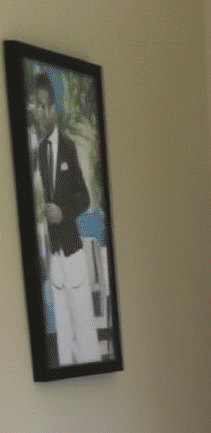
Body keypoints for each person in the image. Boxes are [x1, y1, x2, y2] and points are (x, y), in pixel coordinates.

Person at [31, 70, 102, 367]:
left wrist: (63, 213)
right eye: (38, 106)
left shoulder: (69, 147)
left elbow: (84, 198)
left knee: (85, 335)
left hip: (72, 251)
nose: (42, 113)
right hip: (53, 257)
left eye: (47, 106)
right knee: (63, 340)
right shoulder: (33, 154)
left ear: (56, 109)